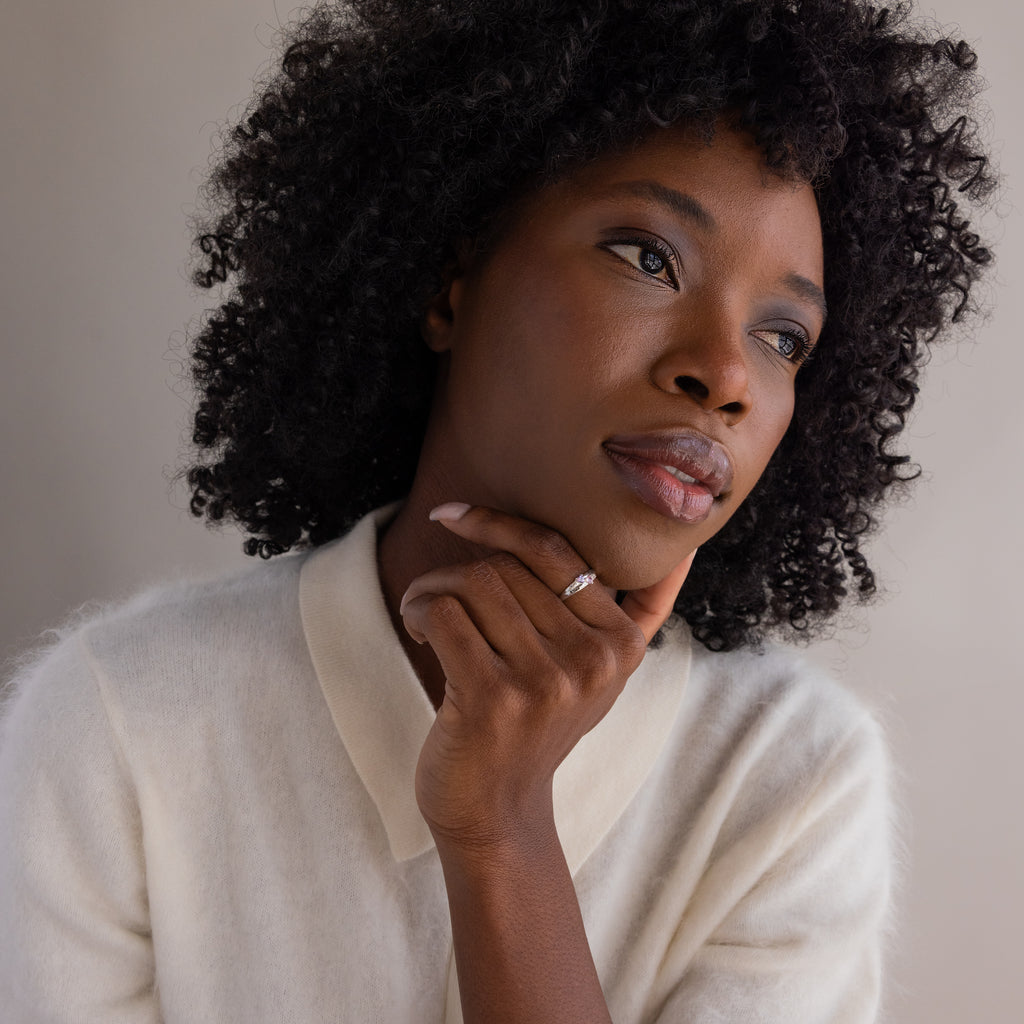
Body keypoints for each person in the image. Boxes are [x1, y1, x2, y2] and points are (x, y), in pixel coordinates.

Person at [0, 1, 993, 1021]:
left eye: (783, 338)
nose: (727, 376)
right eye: (649, 258)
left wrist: (503, 827)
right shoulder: (121, 727)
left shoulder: (789, 780)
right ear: (452, 279)